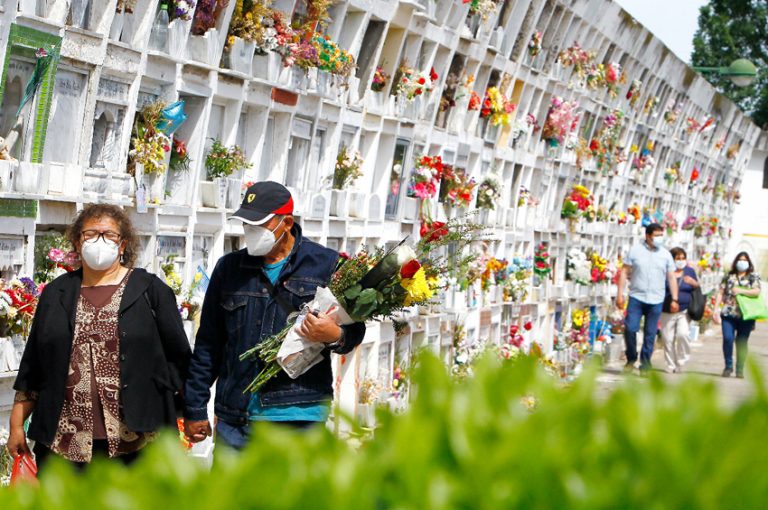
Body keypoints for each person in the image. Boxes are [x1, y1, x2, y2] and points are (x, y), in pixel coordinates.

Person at [7, 204, 191, 471]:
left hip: (138, 440)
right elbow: (34, 366)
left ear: (123, 243)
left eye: (109, 235)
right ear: (77, 242)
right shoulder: (56, 294)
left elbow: (180, 361)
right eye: (90, 234)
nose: (99, 241)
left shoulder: (151, 291)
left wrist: (193, 414)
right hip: (64, 441)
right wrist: (16, 425)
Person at [183, 182, 366, 450]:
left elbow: (355, 331)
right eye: (247, 225)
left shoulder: (325, 265)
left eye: (259, 225)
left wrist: (335, 335)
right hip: (237, 418)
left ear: (287, 222)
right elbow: (209, 343)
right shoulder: (229, 269)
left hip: (299, 418)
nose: (251, 232)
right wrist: (195, 406)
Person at [616, 223, 679, 373]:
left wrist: (675, 299)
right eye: (656, 235)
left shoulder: (665, 254)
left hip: (656, 299)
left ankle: (645, 363)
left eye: (660, 235)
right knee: (630, 328)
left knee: (650, 334)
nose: (659, 238)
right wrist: (620, 294)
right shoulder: (635, 251)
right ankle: (631, 357)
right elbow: (624, 272)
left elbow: (671, 277)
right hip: (636, 296)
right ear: (648, 236)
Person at [713, 252, 761, 378]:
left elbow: (756, 292)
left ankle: (740, 368)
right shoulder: (729, 276)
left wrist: (741, 291)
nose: (742, 262)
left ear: (749, 262)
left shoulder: (753, 276)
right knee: (728, 338)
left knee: (742, 341)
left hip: (746, 314)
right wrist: (716, 309)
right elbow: (721, 292)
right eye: (740, 259)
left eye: (745, 260)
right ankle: (728, 366)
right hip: (729, 313)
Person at [659, 247, 699, 373]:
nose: (681, 261)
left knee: (683, 334)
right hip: (666, 309)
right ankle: (671, 365)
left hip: (684, 310)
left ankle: (682, 360)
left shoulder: (689, 271)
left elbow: (697, 287)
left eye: (683, 258)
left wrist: (693, 283)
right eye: (678, 258)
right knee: (667, 339)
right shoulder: (665, 271)